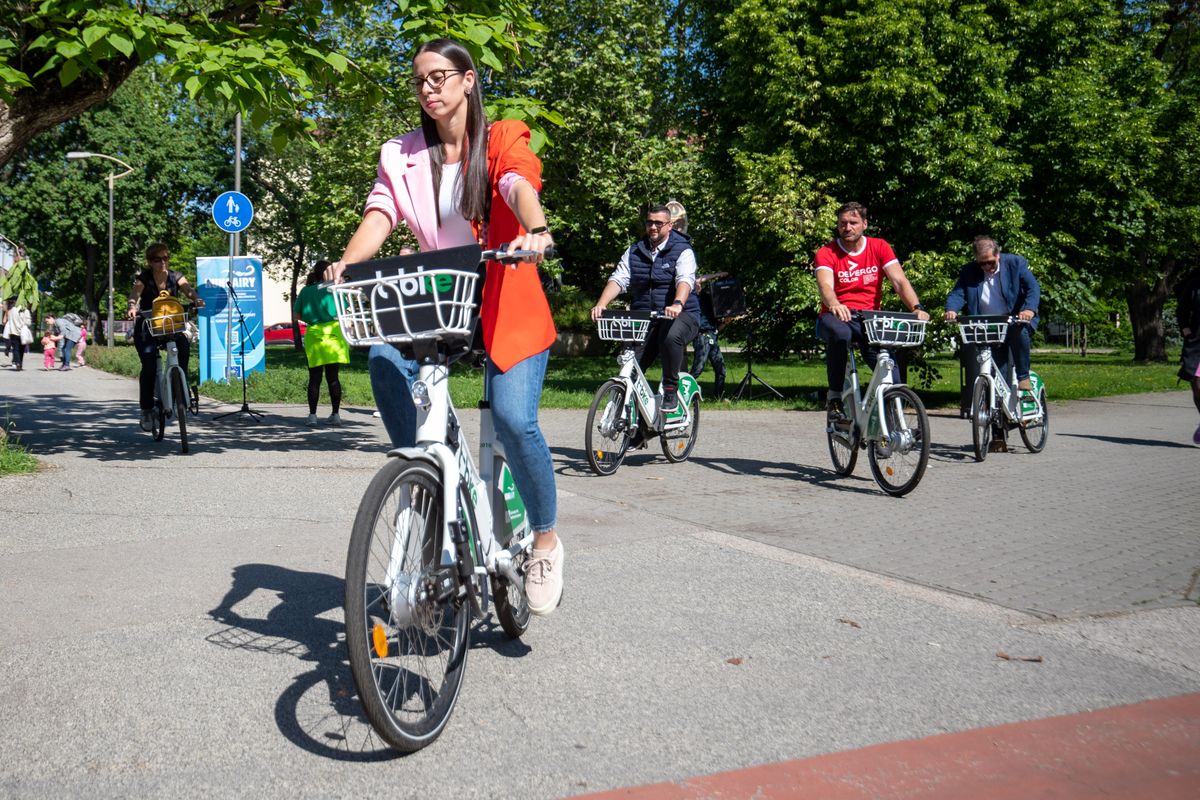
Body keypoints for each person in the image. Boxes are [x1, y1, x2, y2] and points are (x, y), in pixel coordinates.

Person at [323, 38, 561, 615]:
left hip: (506, 292)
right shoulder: (401, 155)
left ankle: (547, 539)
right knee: (383, 357)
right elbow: (379, 214)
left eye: (438, 77)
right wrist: (347, 264)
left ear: (467, 80)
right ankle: (425, 480)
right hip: (445, 298)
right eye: (420, 81)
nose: (427, 89)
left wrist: (536, 231)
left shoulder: (501, 137)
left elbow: (517, 185)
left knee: (512, 416)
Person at [815, 202, 931, 418]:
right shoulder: (827, 252)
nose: (847, 227)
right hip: (837, 315)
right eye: (842, 223)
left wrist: (916, 307)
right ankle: (835, 395)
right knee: (841, 334)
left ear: (864, 224)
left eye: (853, 223)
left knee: (891, 373)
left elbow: (899, 281)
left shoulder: (879, 247)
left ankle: (890, 420)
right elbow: (825, 286)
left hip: (869, 319)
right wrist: (835, 304)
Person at [591, 204, 700, 417]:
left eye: (658, 223)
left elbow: (685, 280)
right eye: (650, 222)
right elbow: (619, 279)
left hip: (681, 314)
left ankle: (670, 388)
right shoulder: (635, 250)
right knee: (632, 370)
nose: (653, 227)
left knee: (671, 337)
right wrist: (601, 303)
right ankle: (638, 430)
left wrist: (677, 303)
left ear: (669, 225)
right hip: (646, 317)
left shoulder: (683, 249)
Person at [943, 236, 1041, 391]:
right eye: (982, 263)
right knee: (998, 371)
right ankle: (1000, 407)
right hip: (989, 324)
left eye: (991, 262)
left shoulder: (1015, 263)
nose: (987, 266)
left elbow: (1033, 288)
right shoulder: (969, 271)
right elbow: (958, 294)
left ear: (998, 255)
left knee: (1019, 330)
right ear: (976, 259)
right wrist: (951, 310)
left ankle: (1023, 376)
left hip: (1014, 319)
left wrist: (1029, 309)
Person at [128, 243, 204, 430]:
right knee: (149, 366)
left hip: (170, 326)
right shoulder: (143, 278)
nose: (162, 262)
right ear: (150, 261)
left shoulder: (176, 276)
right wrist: (131, 306)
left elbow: (188, 289)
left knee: (184, 349)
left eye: (165, 258)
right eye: (157, 259)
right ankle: (146, 409)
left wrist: (196, 299)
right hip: (148, 327)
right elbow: (134, 295)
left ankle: (180, 392)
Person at [294, 260, 350, 427]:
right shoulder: (334, 289)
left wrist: (312, 318)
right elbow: (344, 309)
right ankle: (335, 414)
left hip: (314, 334)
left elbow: (297, 316)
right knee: (333, 378)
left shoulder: (306, 291)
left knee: (314, 377)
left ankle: (312, 416)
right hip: (334, 333)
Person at [1175, 268, 1200, 446]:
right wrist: (1185, 329)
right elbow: (1182, 309)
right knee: (1196, 385)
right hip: (1197, 342)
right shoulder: (1195, 284)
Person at [3, 298, 33, 370]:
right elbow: (28, 323)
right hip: (23, 333)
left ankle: (18, 363)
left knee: (15, 349)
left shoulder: (11, 310)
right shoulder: (25, 310)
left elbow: (9, 321)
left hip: (13, 332)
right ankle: (21, 363)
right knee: (21, 349)